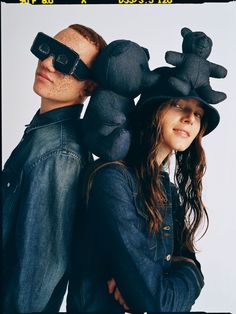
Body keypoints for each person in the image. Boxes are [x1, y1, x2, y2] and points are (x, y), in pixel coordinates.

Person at [67, 67, 221, 313]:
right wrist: (180, 273)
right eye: (180, 106)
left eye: (199, 114)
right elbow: (157, 301)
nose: (191, 119)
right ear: (153, 111)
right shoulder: (111, 177)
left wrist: (186, 270)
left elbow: (178, 276)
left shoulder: (167, 190)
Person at [2, 24, 106, 313]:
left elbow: (39, 272)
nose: (47, 63)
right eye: (46, 49)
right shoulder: (42, 136)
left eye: (65, 61)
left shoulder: (59, 155)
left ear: (89, 87)